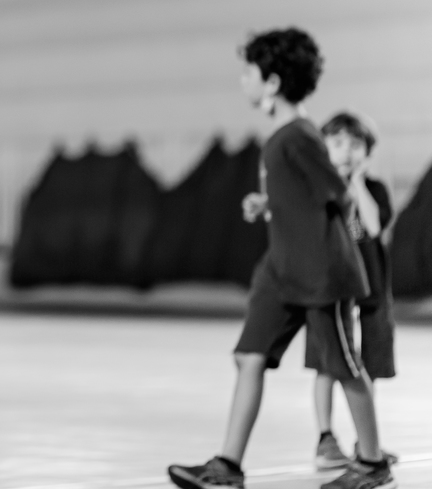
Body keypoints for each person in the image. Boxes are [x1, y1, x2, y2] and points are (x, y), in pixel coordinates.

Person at [168, 28, 395, 489]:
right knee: (248, 356)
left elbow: (338, 195)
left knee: (344, 368)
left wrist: (340, 242)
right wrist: (268, 204)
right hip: (281, 271)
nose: (243, 82)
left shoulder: (300, 136)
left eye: (248, 73)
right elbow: (302, 195)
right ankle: (226, 466)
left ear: (272, 83)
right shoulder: (282, 139)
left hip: (320, 274)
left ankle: (372, 464)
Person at [310, 112, 398, 470]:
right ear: (324, 149)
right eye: (337, 143)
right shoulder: (320, 192)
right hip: (331, 294)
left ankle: (367, 440)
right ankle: (325, 439)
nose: (347, 151)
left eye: (356, 144)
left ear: (368, 152)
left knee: (369, 368)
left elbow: (374, 227)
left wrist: (357, 184)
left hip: (372, 295)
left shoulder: (374, 190)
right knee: (326, 366)